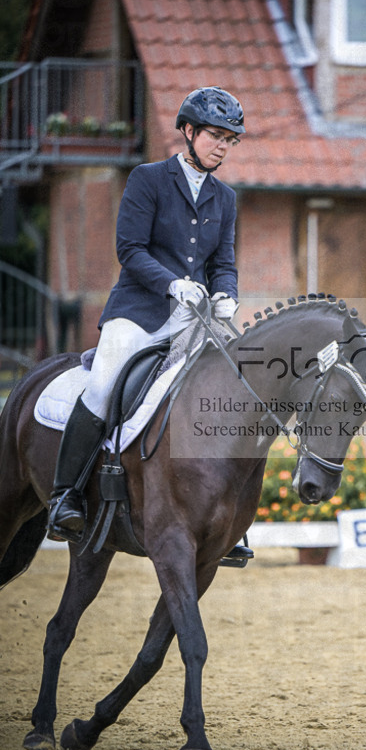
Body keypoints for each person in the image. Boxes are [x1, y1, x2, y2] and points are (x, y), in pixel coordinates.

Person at [47, 86, 244, 540]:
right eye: (216, 136)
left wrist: (226, 295)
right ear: (188, 131)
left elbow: (223, 263)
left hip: (194, 321)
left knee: (229, 389)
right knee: (103, 386)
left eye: (230, 140)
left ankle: (228, 518)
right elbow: (130, 249)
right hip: (139, 310)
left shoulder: (225, 198)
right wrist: (172, 284)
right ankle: (65, 495)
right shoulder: (148, 178)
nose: (223, 146)